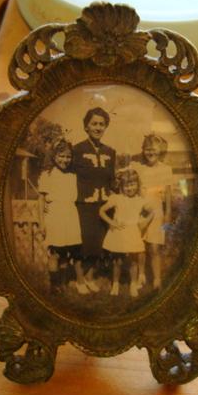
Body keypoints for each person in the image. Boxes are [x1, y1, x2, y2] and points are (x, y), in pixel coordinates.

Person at [72, 107, 116, 292]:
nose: (98, 127)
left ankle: (90, 277)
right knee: (84, 243)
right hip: (84, 205)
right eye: (94, 123)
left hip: (104, 206)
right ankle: (79, 280)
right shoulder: (77, 150)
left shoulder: (110, 152)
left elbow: (112, 180)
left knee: (100, 244)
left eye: (102, 124)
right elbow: (68, 176)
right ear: (86, 126)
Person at [37, 139, 84, 294]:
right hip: (55, 216)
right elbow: (41, 200)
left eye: (68, 156)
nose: (65, 160)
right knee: (55, 253)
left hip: (70, 215)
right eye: (61, 156)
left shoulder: (73, 175)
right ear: (54, 156)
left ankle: (63, 283)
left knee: (66, 252)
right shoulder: (47, 174)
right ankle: (55, 285)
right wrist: (42, 223)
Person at [99, 169, 153, 297]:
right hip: (119, 232)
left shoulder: (140, 200)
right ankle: (115, 284)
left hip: (133, 232)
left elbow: (152, 211)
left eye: (132, 184)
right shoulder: (117, 198)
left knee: (133, 261)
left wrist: (145, 222)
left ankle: (133, 284)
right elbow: (101, 211)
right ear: (122, 186)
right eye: (126, 185)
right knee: (117, 261)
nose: (130, 188)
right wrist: (112, 222)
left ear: (137, 185)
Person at [130, 134, 173, 290]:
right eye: (147, 149)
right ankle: (141, 275)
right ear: (143, 150)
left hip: (157, 211)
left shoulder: (166, 169)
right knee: (139, 245)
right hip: (139, 211)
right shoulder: (138, 168)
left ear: (160, 151)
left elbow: (168, 194)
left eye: (153, 149)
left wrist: (168, 213)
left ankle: (156, 279)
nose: (150, 152)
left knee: (154, 246)